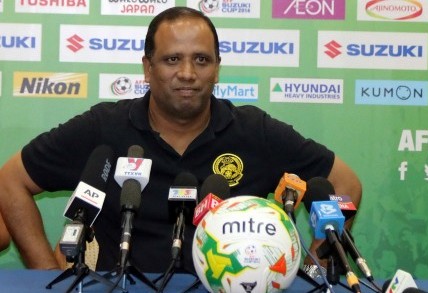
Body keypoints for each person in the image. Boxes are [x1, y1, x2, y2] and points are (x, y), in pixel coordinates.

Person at [0, 7, 361, 273]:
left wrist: (314, 264)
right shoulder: (103, 127)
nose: (187, 73)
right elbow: (11, 180)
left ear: (217, 68)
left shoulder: (256, 132)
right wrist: (42, 271)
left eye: (201, 60)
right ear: (148, 67)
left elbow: (346, 184)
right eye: (172, 59)